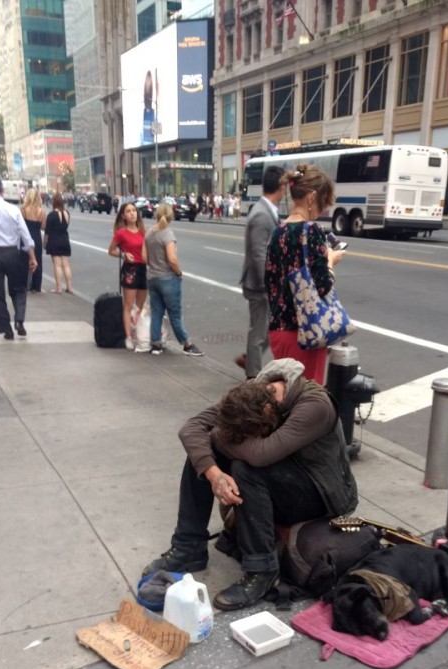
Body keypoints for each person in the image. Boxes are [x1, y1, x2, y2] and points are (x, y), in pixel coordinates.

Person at [141, 358, 358, 611]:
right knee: (201, 456)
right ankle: (188, 547)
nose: (250, 438)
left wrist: (215, 437)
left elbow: (260, 454)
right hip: (285, 477)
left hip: (322, 494)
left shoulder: (314, 406)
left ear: (268, 411)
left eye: (253, 433)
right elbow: (190, 429)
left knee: (245, 467)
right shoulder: (253, 393)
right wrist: (214, 473)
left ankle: (263, 571)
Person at [265, 164, 346, 385]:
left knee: (285, 394)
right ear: (312, 197)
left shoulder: (277, 232)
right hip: (306, 332)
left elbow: (270, 283)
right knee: (307, 399)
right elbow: (323, 286)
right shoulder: (312, 231)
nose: (322, 210)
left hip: (278, 331)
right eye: (323, 203)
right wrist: (331, 261)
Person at [236, 166, 285, 379]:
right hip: (259, 284)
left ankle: (250, 360)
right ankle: (252, 376)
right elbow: (259, 254)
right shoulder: (261, 214)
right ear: (281, 186)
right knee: (259, 331)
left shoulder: (266, 211)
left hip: (262, 283)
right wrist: (269, 286)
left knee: (268, 329)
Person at [0, 175, 37, 339]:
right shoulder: (13, 209)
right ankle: (19, 319)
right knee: (18, 288)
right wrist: (32, 257)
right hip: (12, 253)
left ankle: (6, 329)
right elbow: (25, 235)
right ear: (2, 190)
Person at [143, 202, 204, 357]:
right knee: (175, 313)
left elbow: (144, 257)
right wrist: (179, 273)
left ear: (157, 215)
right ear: (171, 216)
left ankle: (156, 344)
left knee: (156, 312)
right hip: (168, 278)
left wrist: (154, 265)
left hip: (152, 277)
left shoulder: (149, 233)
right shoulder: (168, 234)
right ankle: (187, 344)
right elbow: (172, 259)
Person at [108, 201, 147, 350]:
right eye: (129, 211)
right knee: (128, 306)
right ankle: (128, 336)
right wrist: (124, 255)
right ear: (123, 216)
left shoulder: (143, 231)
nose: (132, 213)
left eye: (134, 211)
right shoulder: (121, 233)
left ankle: (137, 331)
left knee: (140, 306)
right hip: (130, 270)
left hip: (143, 268)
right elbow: (111, 250)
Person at [45, 193, 74, 293]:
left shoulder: (51, 215)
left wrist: (45, 243)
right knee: (66, 265)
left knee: (57, 265)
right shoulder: (66, 213)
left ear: (54, 202)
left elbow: (47, 231)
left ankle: (59, 288)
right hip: (65, 239)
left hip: (54, 240)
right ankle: (69, 287)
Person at [21, 187, 47, 293]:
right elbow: (43, 227)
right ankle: (36, 286)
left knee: (23, 261)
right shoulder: (42, 211)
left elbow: (20, 225)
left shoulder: (23, 209)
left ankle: (23, 284)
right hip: (36, 237)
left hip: (25, 236)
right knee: (37, 260)